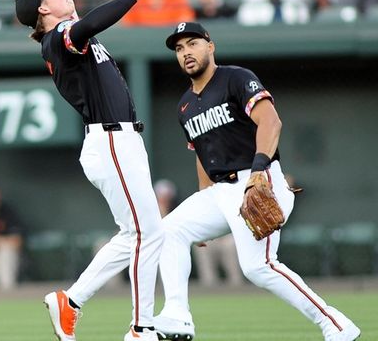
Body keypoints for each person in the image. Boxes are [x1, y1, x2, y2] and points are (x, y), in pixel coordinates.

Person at [0, 0, 172, 341]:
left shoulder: (55, 23)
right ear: (43, 10)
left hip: (117, 140)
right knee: (148, 233)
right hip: (110, 139)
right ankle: (142, 327)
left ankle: (69, 302)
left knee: (137, 234)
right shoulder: (56, 39)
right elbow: (88, 24)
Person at [154, 22, 361, 341]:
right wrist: (202, 204)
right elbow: (202, 153)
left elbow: (271, 121)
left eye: (192, 44)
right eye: (179, 49)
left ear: (211, 46)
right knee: (168, 231)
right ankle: (178, 316)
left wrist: (258, 170)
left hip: (261, 178)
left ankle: (336, 324)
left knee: (258, 267)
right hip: (221, 191)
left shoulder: (236, 78)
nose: (186, 53)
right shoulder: (185, 105)